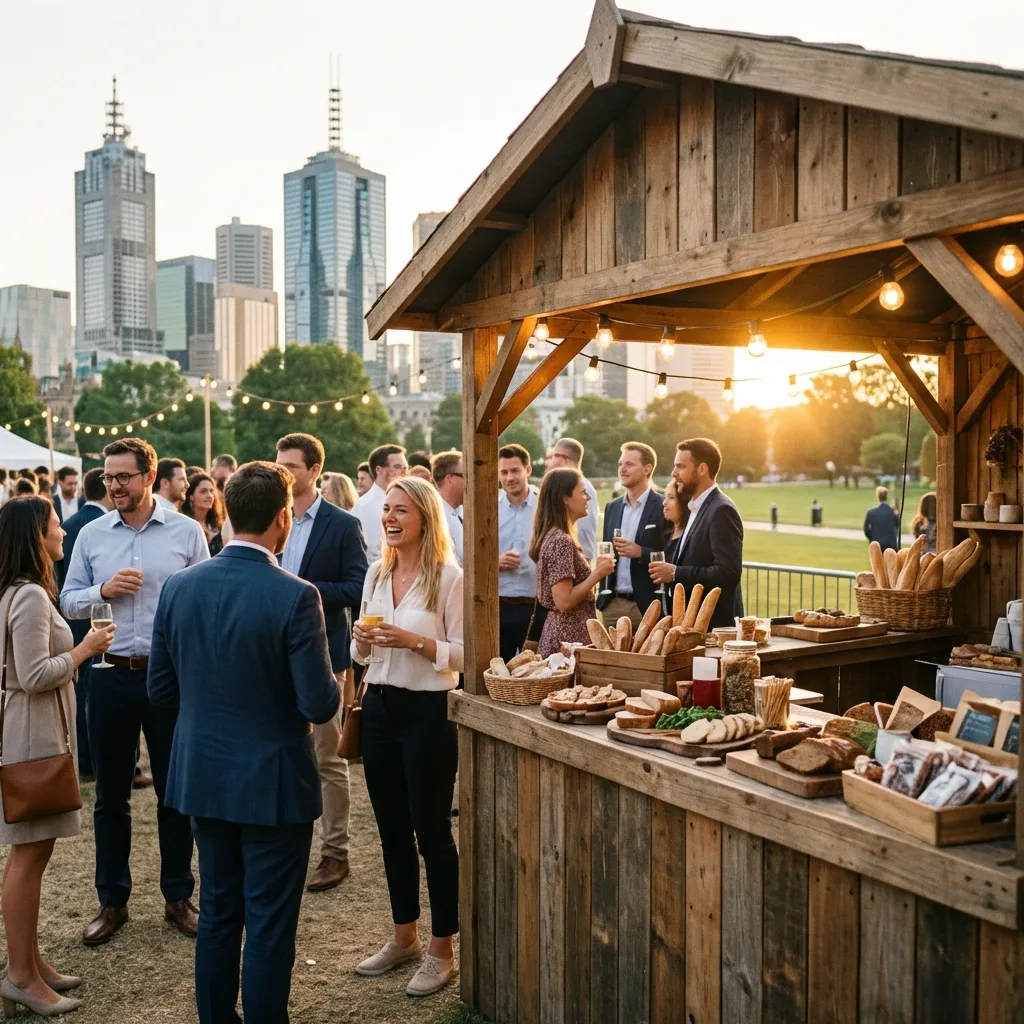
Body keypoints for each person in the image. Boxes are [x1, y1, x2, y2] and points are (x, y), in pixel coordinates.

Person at [148, 461, 341, 1024]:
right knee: (269, 923)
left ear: (227, 512)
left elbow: (161, 690)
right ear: (283, 518)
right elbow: (318, 704)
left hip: (205, 775)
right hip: (272, 782)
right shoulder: (296, 595)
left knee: (219, 914)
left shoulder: (180, 587)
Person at [60, 437, 210, 946]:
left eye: (122, 476)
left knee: (176, 793)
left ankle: (178, 897)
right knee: (109, 797)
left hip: (168, 675)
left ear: (149, 477)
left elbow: (205, 602)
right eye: (107, 476)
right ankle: (113, 901)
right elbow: (67, 600)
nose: (113, 485)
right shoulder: (91, 534)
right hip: (108, 673)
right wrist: (102, 591)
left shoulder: (188, 532)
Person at [0, 497, 115, 1018]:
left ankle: (31, 961)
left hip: (34, 732)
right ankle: (21, 976)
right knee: (27, 857)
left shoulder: (19, 591)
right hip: (32, 739)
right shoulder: (25, 596)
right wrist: (85, 650)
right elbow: (32, 675)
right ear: (34, 536)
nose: (63, 533)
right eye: (54, 526)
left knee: (32, 855)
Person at [351, 475, 463, 997]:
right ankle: (404, 938)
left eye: (401, 511)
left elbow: (465, 656)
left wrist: (415, 641)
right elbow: (362, 658)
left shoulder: (450, 579)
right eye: (386, 510)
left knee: (432, 833)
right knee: (391, 831)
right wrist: (362, 642)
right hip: (378, 709)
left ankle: (443, 950)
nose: (390, 518)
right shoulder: (377, 572)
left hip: (428, 712)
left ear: (424, 517)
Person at [275, 433, 368, 892]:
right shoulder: (267, 517)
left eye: (291, 466)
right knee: (280, 750)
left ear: (314, 471)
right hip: (269, 655)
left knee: (328, 757)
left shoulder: (342, 524)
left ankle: (335, 853)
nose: (283, 473)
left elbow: (356, 587)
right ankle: (284, 845)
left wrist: (304, 590)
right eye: (279, 464)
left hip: (324, 653)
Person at [649, 438, 744, 629]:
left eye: (680, 466)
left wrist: (675, 573)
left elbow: (727, 573)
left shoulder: (721, 510)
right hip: (692, 626)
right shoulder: (695, 508)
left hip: (714, 627)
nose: (673, 473)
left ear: (702, 469)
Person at [56, 468, 115, 778]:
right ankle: (95, 762)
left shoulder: (69, 524)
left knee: (80, 692)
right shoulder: (97, 527)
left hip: (69, 621)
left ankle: (87, 762)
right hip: (94, 623)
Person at [532, 468, 615, 658]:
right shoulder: (560, 540)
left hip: (568, 637)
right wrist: (598, 573)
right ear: (564, 498)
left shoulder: (558, 536)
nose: (588, 498)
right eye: (583, 492)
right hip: (566, 641)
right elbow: (564, 601)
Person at [597, 442, 664, 630]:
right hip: (612, 605)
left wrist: (640, 552)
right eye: (620, 464)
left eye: (629, 464)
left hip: (647, 606)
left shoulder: (663, 506)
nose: (622, 469)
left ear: (647, 469)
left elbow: (673, 555)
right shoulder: (612, 507)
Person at [497, 444, 544, 663]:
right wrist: (495, 562)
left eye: (515, 471)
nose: (509, 478)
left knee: (536, 669)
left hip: (534, 605)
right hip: (499, 605)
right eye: (504, 472)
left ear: (528, 470)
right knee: (497, 669)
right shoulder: (489, 507)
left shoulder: (543, 505)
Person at [352, 444, 409, 561]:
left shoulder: (410, 500)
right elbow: (369, 553)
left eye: (406, 468)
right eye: (398, 467)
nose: (404, 472)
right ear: (379, 470)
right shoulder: (364, 506)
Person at [547, 437, 598, 560]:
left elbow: (583, 532)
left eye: (554, 456)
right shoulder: (561, 486)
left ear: (562, 458)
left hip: (575, 563)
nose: (550, 462)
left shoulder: (582, 488)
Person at [431, 450, 464, 565]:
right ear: (450, 478)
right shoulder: (433, 515)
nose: (472, 481)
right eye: (467, 475)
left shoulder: (461, 511)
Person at [182, 472, 226, 556]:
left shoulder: (219, 526)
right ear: (191, 496)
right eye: (203, 491)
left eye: (211, 491)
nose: (209, 495)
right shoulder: (184, 525)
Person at [864, 486, 901, 552]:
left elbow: (866, 530)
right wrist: (897, 514)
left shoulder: (871, 512)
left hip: (877, 545)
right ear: (886, 496)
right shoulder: (892, 512)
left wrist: (872, 538)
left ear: (878, 497)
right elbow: (897, 525)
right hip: (891, 546)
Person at [662, 479, 688, 564]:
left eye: (671, 497)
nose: (664, 502)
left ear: (683, 502)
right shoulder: (666, 534)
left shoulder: (689, 538)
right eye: (665, 496)